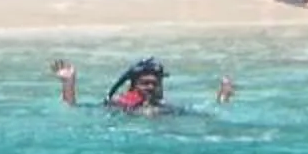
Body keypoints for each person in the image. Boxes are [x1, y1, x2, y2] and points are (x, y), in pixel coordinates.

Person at [50, 57, 233, 112]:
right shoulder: (119, 105)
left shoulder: (168, 108)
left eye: (155, 83)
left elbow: (207, 112)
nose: (151, 88)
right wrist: (69, 83)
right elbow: (73, 109)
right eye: (145, 83)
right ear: (133, 86)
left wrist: (223, 98)